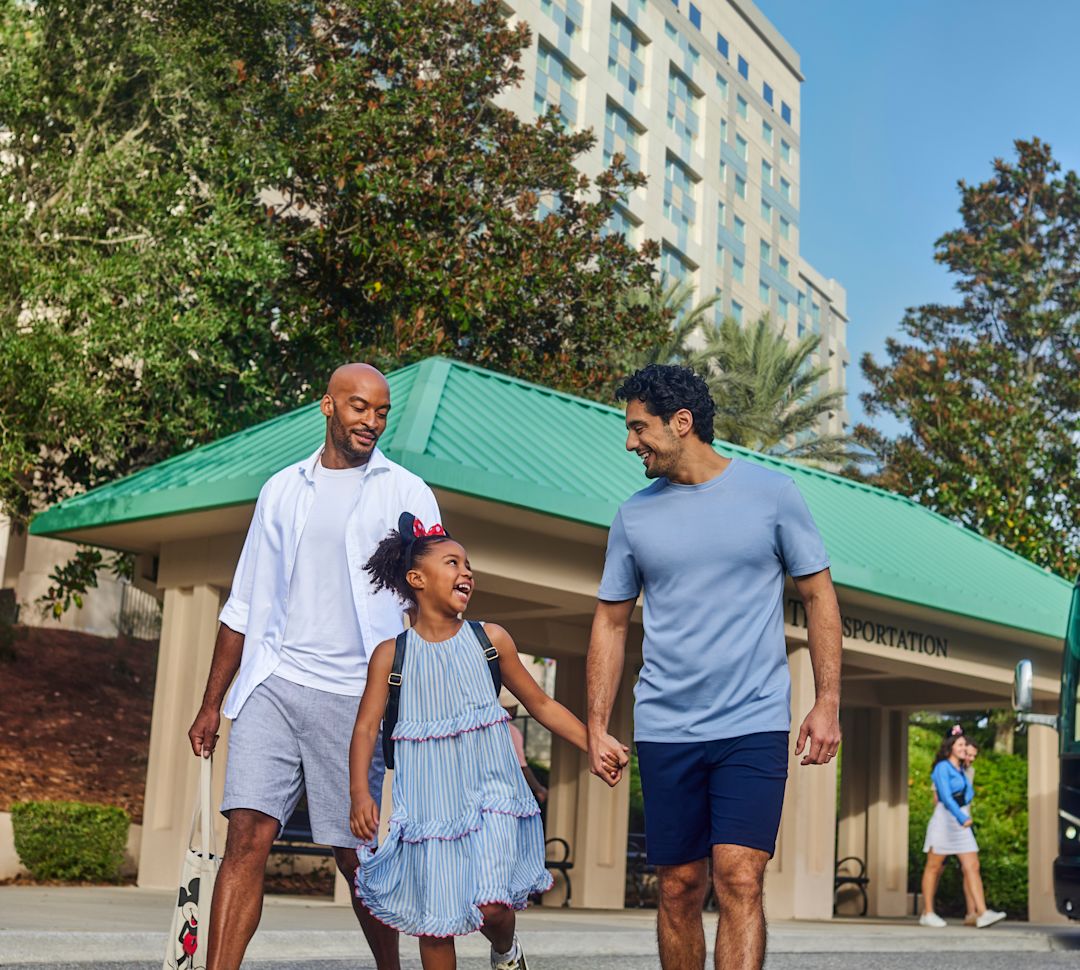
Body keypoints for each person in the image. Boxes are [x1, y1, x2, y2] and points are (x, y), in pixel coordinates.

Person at [585, 365, 843, 970]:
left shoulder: (772, 494)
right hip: (666, 726)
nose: (630, 442)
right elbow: (610, 623)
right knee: (679, 885)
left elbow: (819, 596)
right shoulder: (633, 516)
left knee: (740, 876)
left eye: (639, 428)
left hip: (752, 722)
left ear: (682, 422)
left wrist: (827, 699)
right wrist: (596, 724)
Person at [187, 364, 440, 970]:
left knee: (354, 855)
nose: (371, 421)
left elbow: (435, 597)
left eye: (381, 412)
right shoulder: (282, 489)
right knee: (246, 836)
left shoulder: (407, 492)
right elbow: (244, 602)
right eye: (359, 407)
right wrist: (211, 703)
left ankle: (389, 967)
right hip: (274, 684)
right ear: (328, 406)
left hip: (356, 698)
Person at [349, 514, 627, 970]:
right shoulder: (391, 656)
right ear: (417, 579)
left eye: (468, 565)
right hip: (427, 805)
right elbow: (365, 728)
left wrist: (594, 743)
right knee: (436, 923)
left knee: (492, 906)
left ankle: (506, 951)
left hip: (492, 794)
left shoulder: (489, 640)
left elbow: (542, 704)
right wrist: (361, 792)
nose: (466, 572)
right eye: (452, 563)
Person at [919, 729, 1004, 929]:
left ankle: (982, 912)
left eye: (965, 745)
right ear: (950, 747)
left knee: (972, 865)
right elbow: (945, 796)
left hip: (960, 823)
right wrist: (961, 817)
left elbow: (967, 794)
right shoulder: (942, 767)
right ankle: (928, 913)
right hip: (945, 821)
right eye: (960, 745)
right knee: (934, 867)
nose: (964, 748)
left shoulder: (962, 770)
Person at [503, 702, 548, 804]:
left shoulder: (486, 729)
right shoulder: (512, 731)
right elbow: (522, 767)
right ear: (511, 708)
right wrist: (539, 789)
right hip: (508, 794)